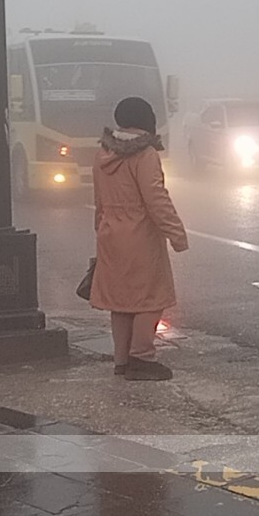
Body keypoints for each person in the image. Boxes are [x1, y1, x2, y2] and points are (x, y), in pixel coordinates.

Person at [91, 96, 189, 381]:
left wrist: (100, 228)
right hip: (140, 236)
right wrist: (176, 234)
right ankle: (142, 358)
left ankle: (121, 360)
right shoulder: (144, 155)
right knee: (150, 298)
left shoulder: (102, 153)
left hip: (110, 235)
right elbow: (156, 199)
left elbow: (98, 200)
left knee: (120, 302)